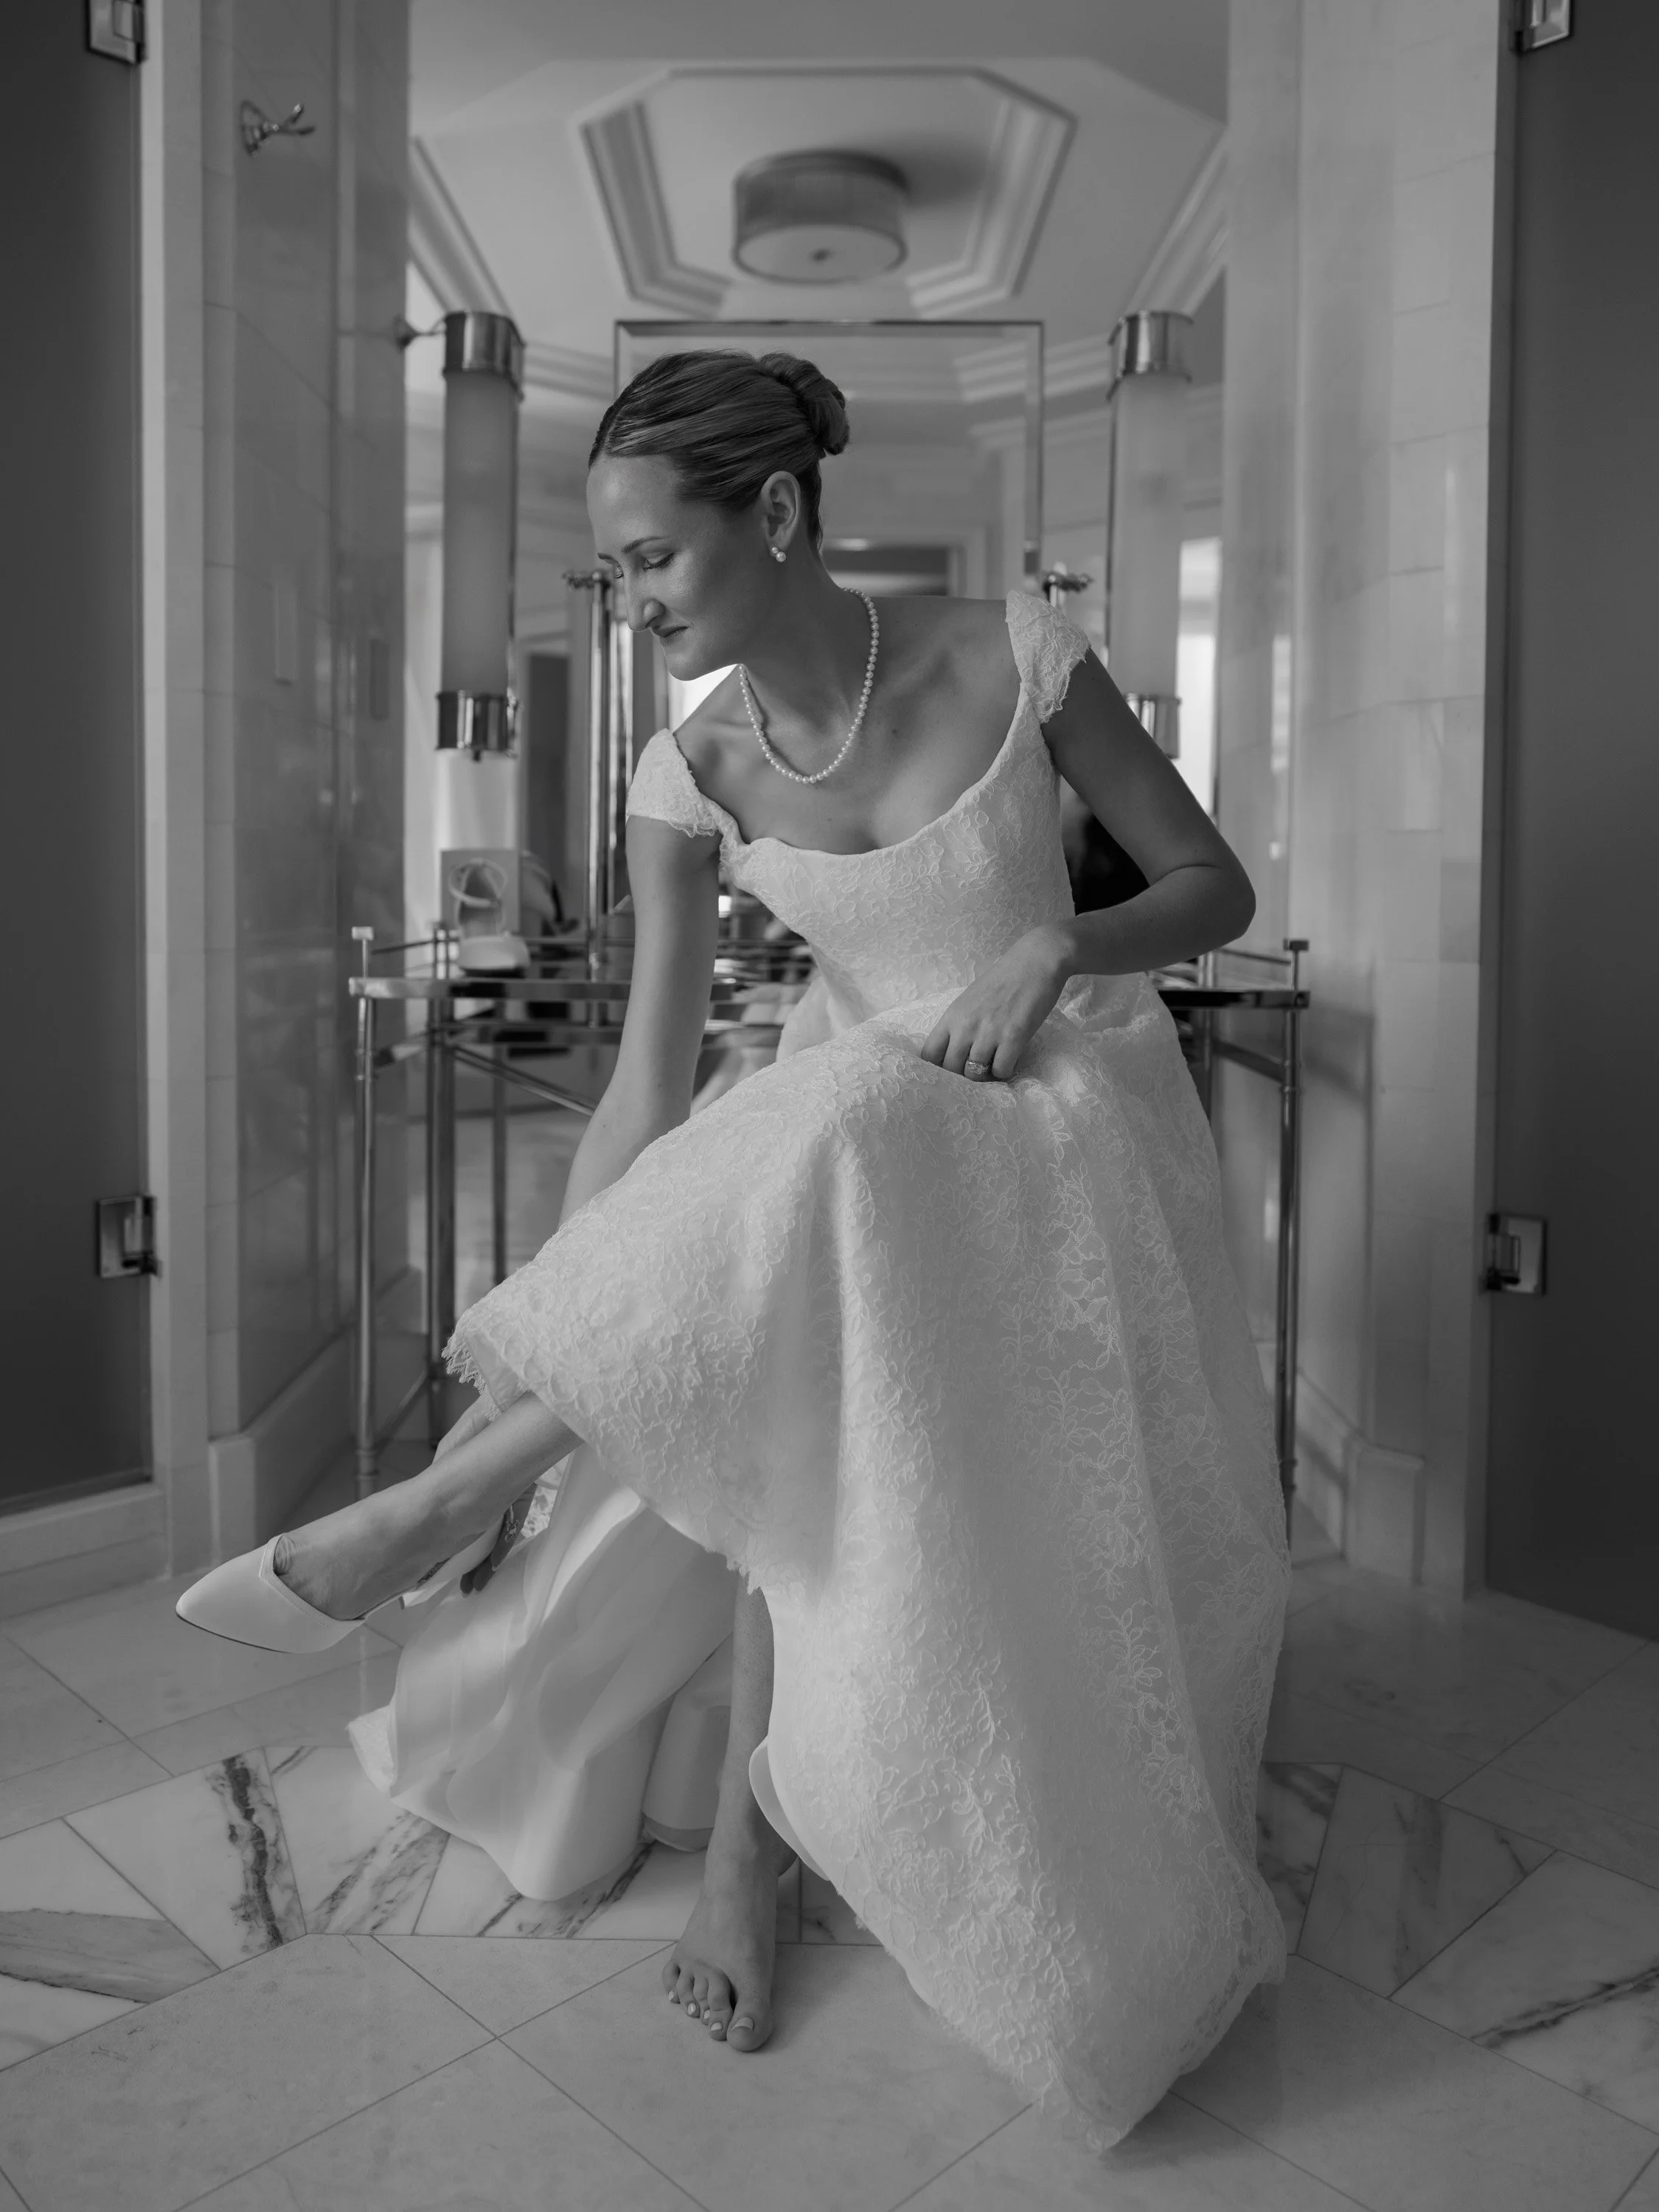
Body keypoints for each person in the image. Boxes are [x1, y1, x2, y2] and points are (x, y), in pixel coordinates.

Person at [177, 349, 1291, 2148]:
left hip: (1062, 1125)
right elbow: (643, 1085)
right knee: (822, 1175)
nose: (630, 603)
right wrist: (555, 1322)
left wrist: (1050, 951)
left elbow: (1214, 886)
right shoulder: (685, 773)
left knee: (836, 1130)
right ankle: (740, 1858)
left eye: (651, 562)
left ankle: (447, 1516)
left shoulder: (1017, 659)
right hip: (853, 1159)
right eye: (614, 573)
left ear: (774, 514)